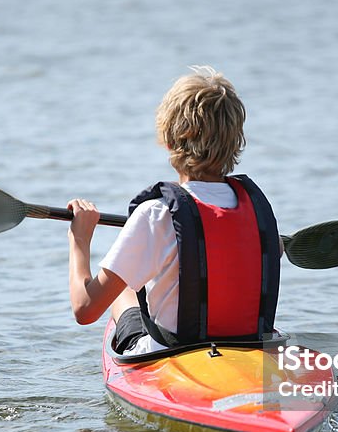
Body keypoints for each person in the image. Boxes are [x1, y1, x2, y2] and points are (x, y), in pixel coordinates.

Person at [67, 66, 281, 355]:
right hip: (249, 348)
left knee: (125, 289)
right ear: (235, 141)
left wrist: (80, 241)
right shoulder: (258, 215)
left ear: (169, 139)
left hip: (175, 356)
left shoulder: (154, 215)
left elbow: (85, 310)